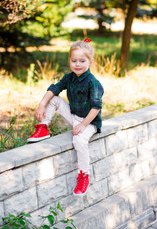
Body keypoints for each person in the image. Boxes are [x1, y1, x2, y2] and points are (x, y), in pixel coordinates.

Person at [27, 38, 104, 196]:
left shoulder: (93, 83)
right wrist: (42, 104)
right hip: (74, 115)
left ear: (90, 61)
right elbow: (55, 88)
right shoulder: (69, 78)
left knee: (79, 140)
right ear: (70, 60)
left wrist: (83, 125)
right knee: (53, 99)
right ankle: (43, 128)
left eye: (82, 61)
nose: (77, 64)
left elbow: (96, 107)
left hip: (89, 122)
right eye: (74, 60)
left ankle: (84, 175)